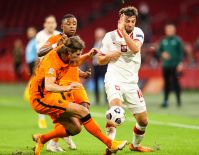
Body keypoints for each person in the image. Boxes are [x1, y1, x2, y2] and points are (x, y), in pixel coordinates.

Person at [30, 36, 127, 155]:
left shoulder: (66, 54)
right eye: (77, 54)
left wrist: (87, 56)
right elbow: (49, 86)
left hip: (50, 96)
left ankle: (43, 139)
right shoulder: (52, 61)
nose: (78, 56)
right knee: (83, 111)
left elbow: (75, 61)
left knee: (75, 128)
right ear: (68, 53)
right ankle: (110, 144)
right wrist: (67, 87)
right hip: (40, 98)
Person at [97, 6, 153, 154]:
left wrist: (122, 31)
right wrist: (109, 56)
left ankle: (135, 145)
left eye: (132, 21)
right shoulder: (109, 36)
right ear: (120, 20)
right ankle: (110, 146)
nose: (130, 24)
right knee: (116, 110)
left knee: (143, 122)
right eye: (127, 21)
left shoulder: (138, 32)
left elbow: (135, 49)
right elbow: (100, 60)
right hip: (114, 79)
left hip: (132, 83)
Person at [38, 14, 97, 152]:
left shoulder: (76, 41)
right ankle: (54, 141)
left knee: (85, 110)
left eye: (74, 23)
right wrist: (55, 45)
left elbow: (72, 63)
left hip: (75, 82)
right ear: (62, 26)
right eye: (68, 23)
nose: (72, 26)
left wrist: (82, 73)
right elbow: (40, 52)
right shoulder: (56, 38)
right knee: (67, 114)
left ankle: (64, 133)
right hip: (62, 83)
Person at [35, 15, 60, 129]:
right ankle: (41, 119)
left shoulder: (59, 34)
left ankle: (58, 119)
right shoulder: (40, 35)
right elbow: (41, 53)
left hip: (57, 68)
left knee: (56, 95)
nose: (50, 24)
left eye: (52, 22)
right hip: (44, 68)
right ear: (45, 24)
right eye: (48, 22)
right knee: (42, 94)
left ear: (55, 24)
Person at [157, 23, 184, 107]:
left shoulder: (178, 40)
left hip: (175, 65)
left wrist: (180, 63)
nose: (169, 31)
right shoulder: (163, 40)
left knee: (176, 83)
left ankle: (178, 101)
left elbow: (181, 53)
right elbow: (158, 51)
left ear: (174, 30)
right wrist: (162, 54)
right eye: (168, 30)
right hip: (166, 65)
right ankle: (165, 101)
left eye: (171, 30)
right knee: (166, 83)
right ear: (166, 31)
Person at [92, 28, 107, 104]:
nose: (98, 35)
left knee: (106, 84)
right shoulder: (94, 43)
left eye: (100, 33)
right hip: (95, 66)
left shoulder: (105, 43)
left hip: (103, 66)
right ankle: (97, 100)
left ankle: (106, 100)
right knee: (95, 83)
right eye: (97, 33)